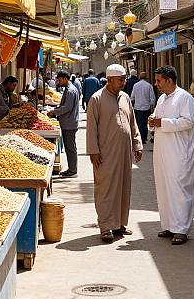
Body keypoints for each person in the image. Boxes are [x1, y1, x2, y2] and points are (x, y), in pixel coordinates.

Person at [86, 64, 143, 243]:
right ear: (109, 80)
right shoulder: (96, 99)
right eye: (120, 80)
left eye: (124, 79)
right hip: (105, 153)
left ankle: (119, 224)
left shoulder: (125, 97)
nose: (124, 83)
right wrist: (93, 151)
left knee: (124, 187)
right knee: (105, 188)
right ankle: (105, 226)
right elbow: (91, 128)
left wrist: (137, 144)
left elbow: (132, 123)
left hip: (125, 152)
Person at [149, 66, 194, 245]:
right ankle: (169, 225)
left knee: (179, 190)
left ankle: (182, 229)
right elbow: (157, 118)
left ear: (170, 80)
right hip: (162, 152)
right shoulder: (162, 98)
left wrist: (162, 122)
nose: (156, 84)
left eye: (159, 80)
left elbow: (187, 122)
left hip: (179, 153)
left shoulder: (185, 98)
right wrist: (152, 121)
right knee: (164, 188)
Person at [48, 71, 80, 178]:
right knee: (69, 147)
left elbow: (67, 107)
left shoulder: (70, 90)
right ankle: (72, 168)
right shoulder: (69, 89)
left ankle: (72, 170)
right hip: (68, 121)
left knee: (70, 147)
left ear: (66, 79)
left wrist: (54, 111)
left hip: (69, 123)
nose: (58, 82)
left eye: (60, 80)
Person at [131, 72, 156, 144]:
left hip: (137, 107)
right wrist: (152, 106)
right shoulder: (149, 86)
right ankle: (144, 138)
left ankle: (140, 137)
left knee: (139, 123)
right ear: (146, 78)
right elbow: (152, 98)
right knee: (145, 123)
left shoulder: (136, 85)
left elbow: (132, 97)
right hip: (146, 107)